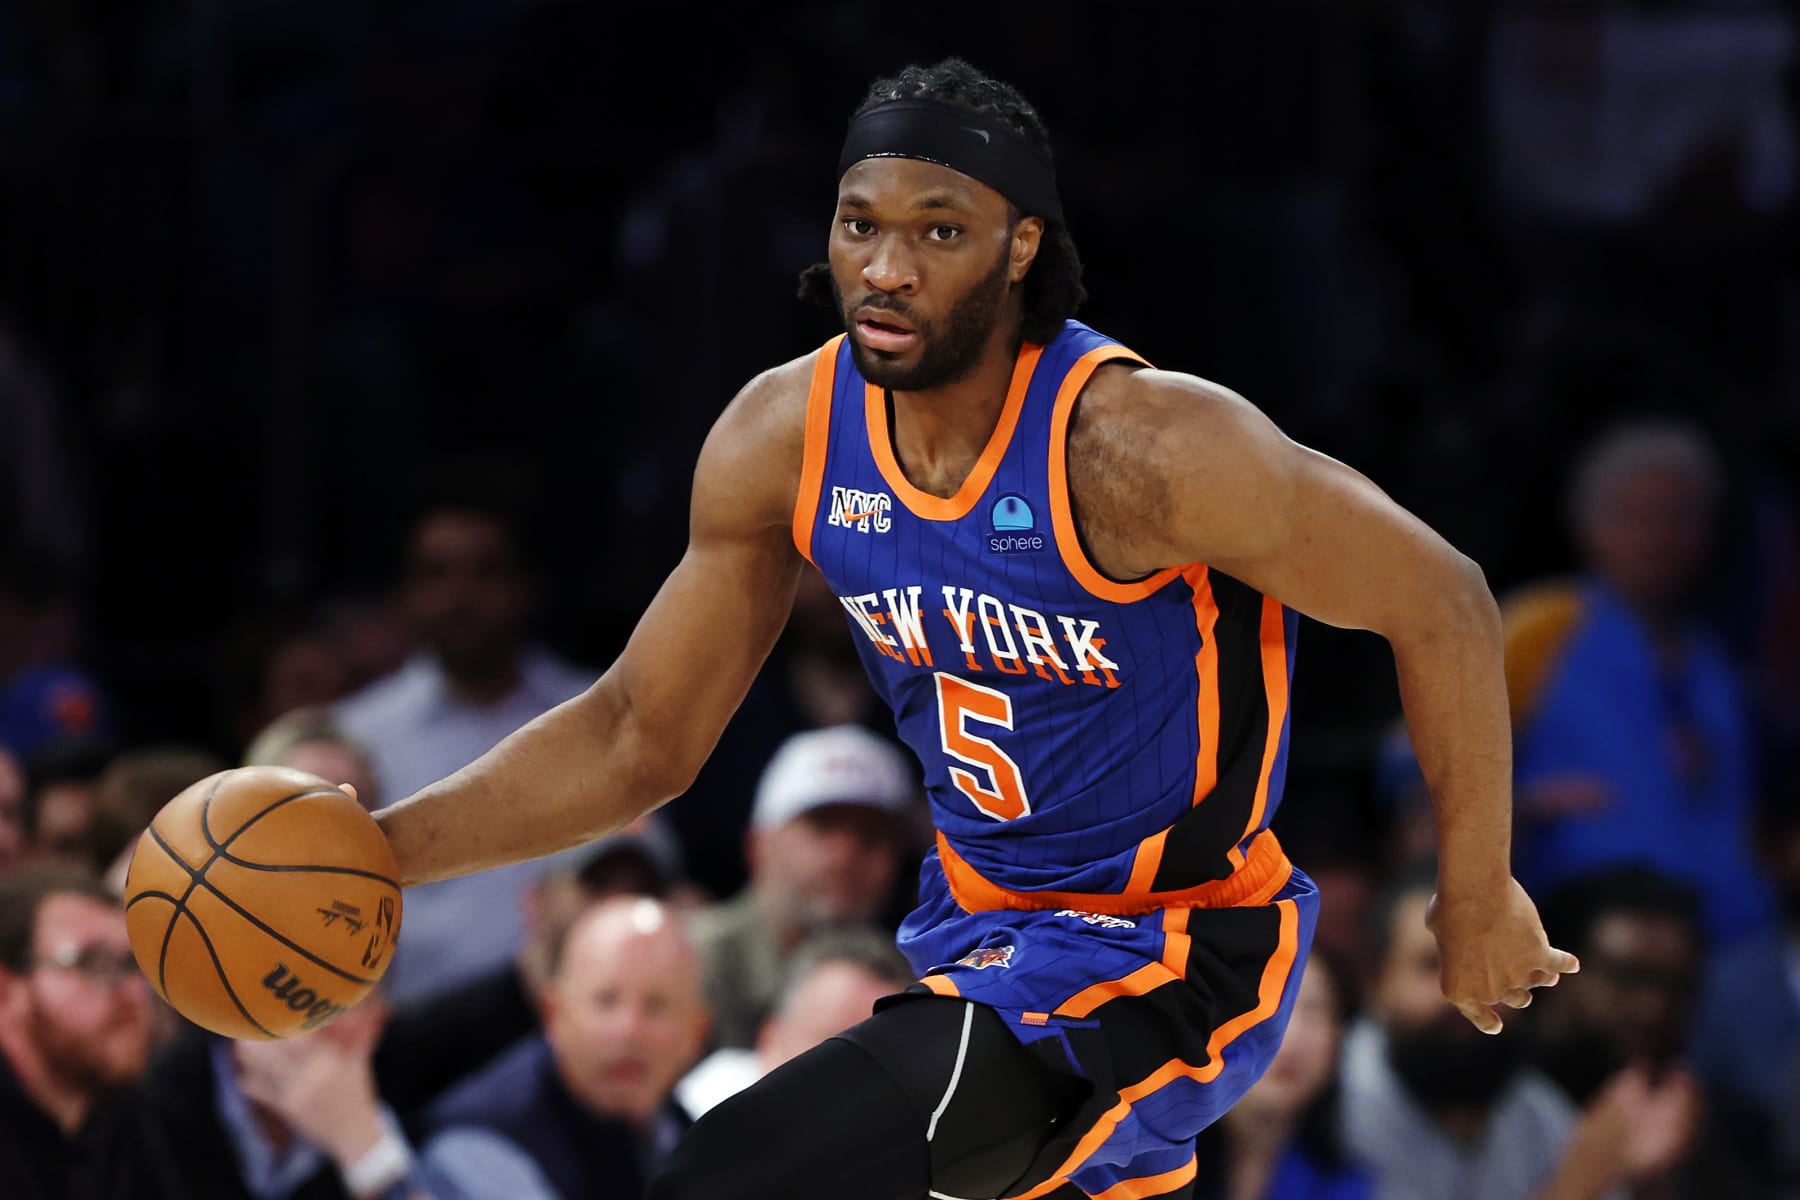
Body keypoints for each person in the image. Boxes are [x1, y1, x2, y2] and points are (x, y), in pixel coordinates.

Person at [360, 58, 1572, 1200]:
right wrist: (380, 854)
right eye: (860, 223)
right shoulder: (784, 436)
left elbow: (1444, 597)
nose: (886, 267)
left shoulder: (1143, 449)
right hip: (971, 934)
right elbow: (636, 735)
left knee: (738, 1172)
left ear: (1019, 247)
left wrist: (1476, 894)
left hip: (1173, 950)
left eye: (939, 230)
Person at [1502, 422, 1769, 942]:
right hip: (1582, 933)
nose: (1657, 538)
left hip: (1727, 935)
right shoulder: (1541, 625)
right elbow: (1414, 757)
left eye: (1678, 518)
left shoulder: (1717, 658)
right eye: (1633, 516)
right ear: (1587, 524)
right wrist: (1520, 803)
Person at [335, 500, 594, 1005]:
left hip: (562, 1022)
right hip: (404, 1029)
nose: (461, 596)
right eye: (437, 574)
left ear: (526, 587)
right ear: (405, 593)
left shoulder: (592, 717)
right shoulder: (357, 736)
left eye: (485, 571)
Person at [1342, 867, 1690, 1200]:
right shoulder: (1326, 1102)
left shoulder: (1537, 1112)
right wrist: (1571, 1191)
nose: (1465, 992)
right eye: (1432, 964)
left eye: (1489, 965)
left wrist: (1645, 1180)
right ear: (1373, 982)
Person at [421, 898, 707, 1200]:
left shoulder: (686, 1132)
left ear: (695, 1032)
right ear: (553, 1014)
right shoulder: (477, 1144)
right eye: (605, 1001)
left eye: (656, 1007)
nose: (628, 1031)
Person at [692, 723, 916, 1048]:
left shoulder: (916, 982)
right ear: (758, 845)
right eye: (823, 827)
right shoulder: (690, 964)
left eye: (871, 836)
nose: (845, 857)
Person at [0, 862, 186, 1199]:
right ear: (6, 990)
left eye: (132, 965)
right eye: (93, 963)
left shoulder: (122, 1113)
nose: (132, 994)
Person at [145, 989, 435, 1200]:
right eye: (288, 995)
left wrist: (366, 1156)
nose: (296, 1026)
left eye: (318, 1004)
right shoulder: (150, 1119)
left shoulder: (433, 1153)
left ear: (373, 1023)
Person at [679, 926, 915, 1116]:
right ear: (770, 1041)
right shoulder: (699, 1114)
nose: (852, 1079)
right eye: (834, 1050)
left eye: (880, 1062)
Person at [1193, 949, 1369, 1200]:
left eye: (1314, 1010)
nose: (1292, 1036)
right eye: (1271, 1006)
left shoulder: (1346, 1186)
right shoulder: (1143, 1164)